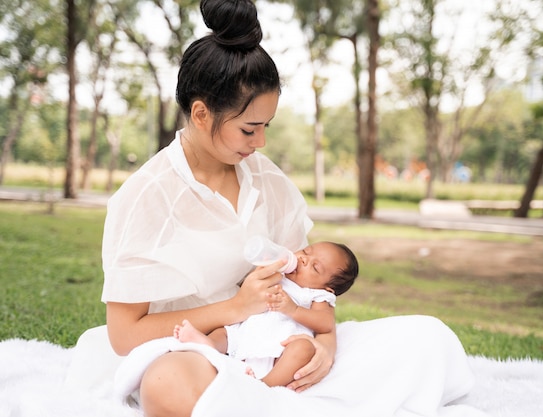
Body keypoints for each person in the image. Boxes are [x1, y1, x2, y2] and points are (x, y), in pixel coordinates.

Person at [67, 1, 484, 417]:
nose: (260, 143)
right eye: (249, 129)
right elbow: (124, 335)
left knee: (428, 337)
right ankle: (263, 400)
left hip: (276, 343)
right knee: (168, 384)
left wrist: (324, 345)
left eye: (266, 127)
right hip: (194, 349)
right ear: (200, 113)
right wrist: (234, 309)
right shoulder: (147, 197)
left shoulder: (265, 180)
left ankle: (263, 399)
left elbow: (305, 286)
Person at [173, 240, 359, 387]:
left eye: (315, 267)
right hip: (248, 333)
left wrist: (294, 310)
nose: (303, 259)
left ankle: (266, 384)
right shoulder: (280, 274)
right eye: (306, 252)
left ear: (328, 288)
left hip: (281, 347)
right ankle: (209, 344)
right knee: (225, 332)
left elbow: (325, 323)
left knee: (303, 349)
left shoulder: (317, 295)